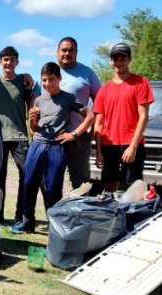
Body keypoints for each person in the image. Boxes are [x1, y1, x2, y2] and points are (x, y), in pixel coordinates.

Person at [11, 62, 94, 234]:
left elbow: (90, 116)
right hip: (37, 144)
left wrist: (74, 134)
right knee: (28, 182)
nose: (48, 84)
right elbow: (33, 129)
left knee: (53, 187)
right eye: (44, 80)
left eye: (51, 79)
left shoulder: (68, 97)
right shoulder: (39, 99)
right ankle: (28, 221)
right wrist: (32, 119)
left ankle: (54, 222)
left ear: (59, 79)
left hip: (57, 146)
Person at [0, 46, 39, 224]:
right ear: (0, 61)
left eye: (12, 59)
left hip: (19, 136)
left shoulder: (24, 82)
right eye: (5, 59)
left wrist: (34, 126)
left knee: (27, 174)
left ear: (17, 61)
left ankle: (21, 215)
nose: (8, 62)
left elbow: (34, 101)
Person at [93, 42, 154, 193]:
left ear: (129, 59)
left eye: (123, 58)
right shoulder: (104, 89)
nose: (119, 62)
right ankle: (112, 215)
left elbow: (143, 117)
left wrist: (133, 147)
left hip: (132, 143)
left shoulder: (140, 83)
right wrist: (99, 152)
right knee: (110, 186)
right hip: (109, 144)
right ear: (110, 61)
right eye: (116, 59)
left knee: (134, 188)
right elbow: (99, 123)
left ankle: (133, 216)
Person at [57, 36, 102, 189]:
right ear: (57, 52)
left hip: (79, 136)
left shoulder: (87, 73)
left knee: (80, 184)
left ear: (76, 52)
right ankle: (55, 213)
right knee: (51, 181)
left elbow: (100, 103)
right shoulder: (50, 72)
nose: (67, 53)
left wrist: (93, 129)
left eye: (71, 50)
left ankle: (81, 213)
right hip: (53, 136)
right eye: (63, 50)